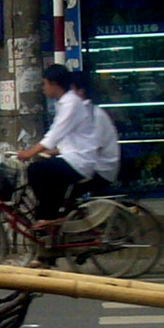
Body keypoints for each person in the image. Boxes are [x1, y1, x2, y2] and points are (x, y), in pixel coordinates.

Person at [18, 65, 103, 219]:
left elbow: (55, 134)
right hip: (73, 157)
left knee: (35, 170)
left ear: (54, 84)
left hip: (79, 162)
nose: (43, 89)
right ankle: (54, 212)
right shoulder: (65, 103)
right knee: (45, 173)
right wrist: (46, 152)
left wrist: (28, 153)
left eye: (45, 84)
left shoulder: (71, 104)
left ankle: (48, 216)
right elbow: (65, 138)